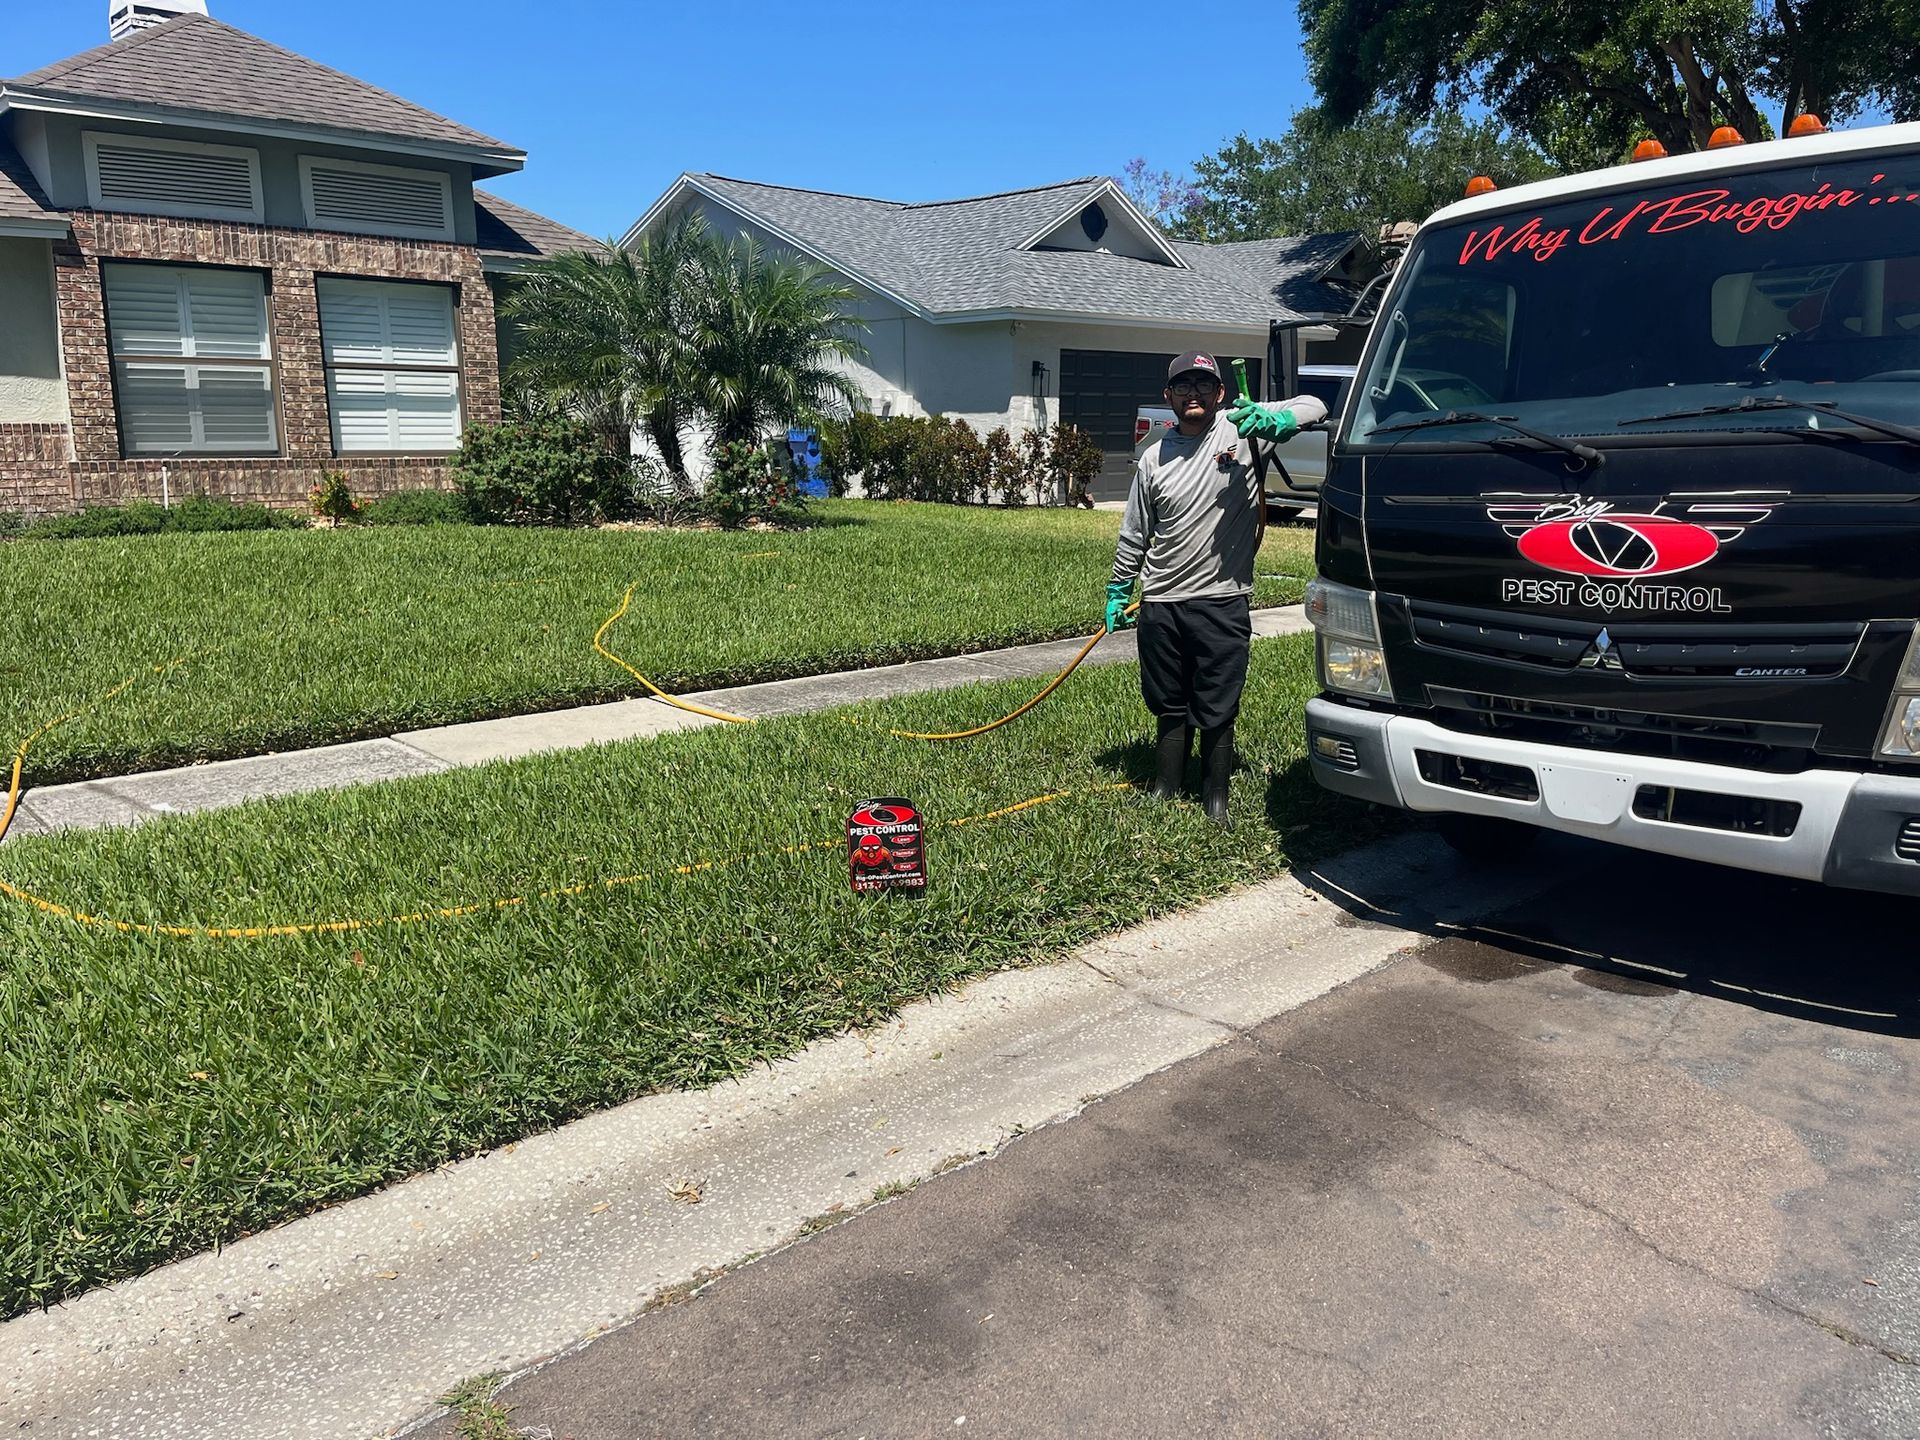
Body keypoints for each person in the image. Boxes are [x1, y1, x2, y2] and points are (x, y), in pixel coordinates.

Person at [1105, 352, 1328, 829]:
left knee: (1217, 700)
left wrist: (1278, 418)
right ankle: (1166, 787)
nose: (1194, 393)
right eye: (1183, 386)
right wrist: (1120, 587)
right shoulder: (1153, 458)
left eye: (1204, 385)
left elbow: (1316, 404)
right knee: (1168, 698)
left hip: (1222, 598)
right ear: (1168, 397)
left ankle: (1215, 797)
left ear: (1219, 394)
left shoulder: (1243, 431)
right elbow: (1135, 532)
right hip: (1161, 600)